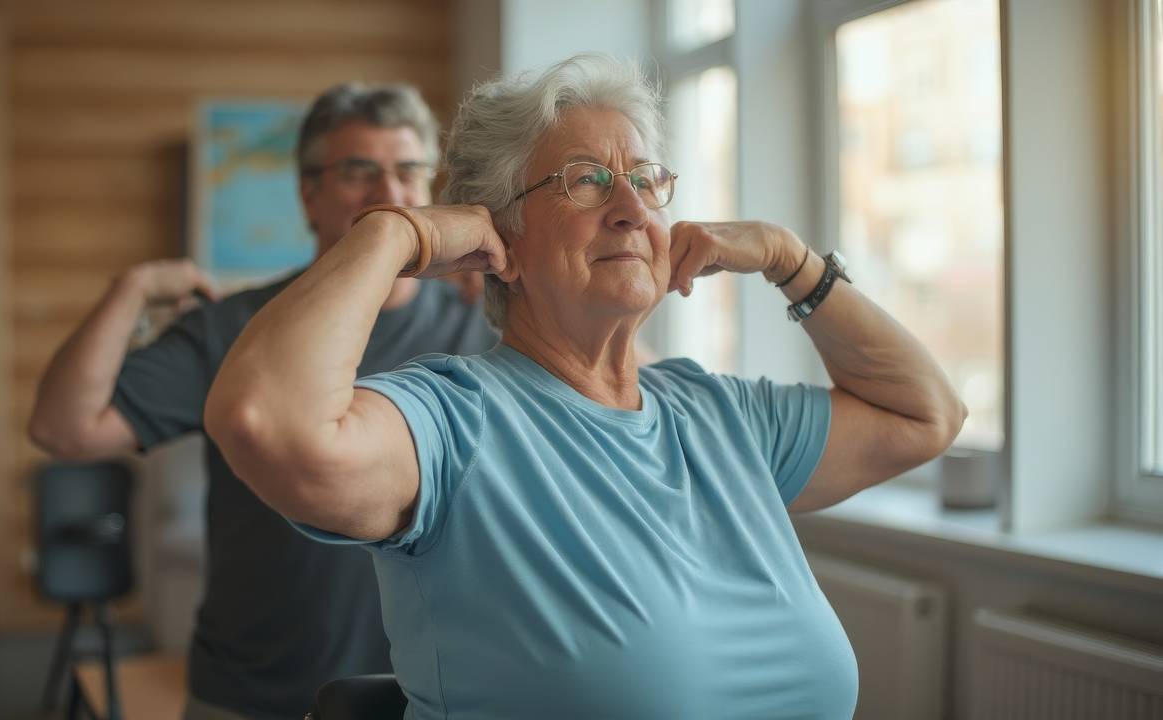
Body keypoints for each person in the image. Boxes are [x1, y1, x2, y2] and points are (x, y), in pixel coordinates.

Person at [206, 55, 968, 719]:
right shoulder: (454, 423)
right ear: (502, 235)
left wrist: (791, 261)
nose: (631, 209)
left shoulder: (722, 415)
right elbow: (265, 419)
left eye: (646, 180)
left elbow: (928, 413)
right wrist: (396, 231)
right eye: (587, 181)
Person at [28, 83, 496, 720]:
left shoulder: (482, 325)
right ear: (309, 196)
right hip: (250, 696)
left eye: (408, 170)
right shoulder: (237, 327)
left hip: (429, 700)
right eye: (358, 171)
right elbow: (63, 428)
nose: (389, 193)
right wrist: (130, 290)